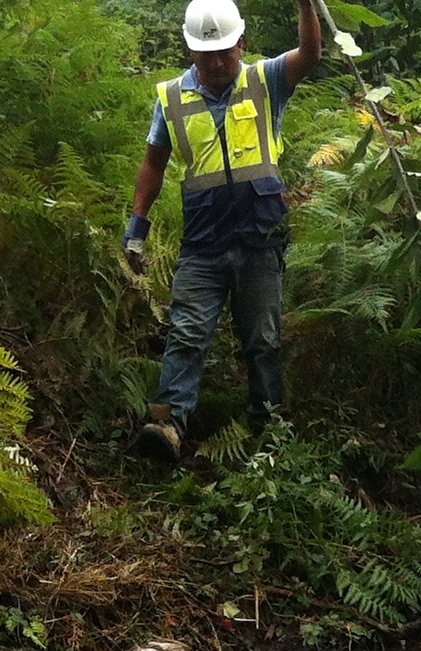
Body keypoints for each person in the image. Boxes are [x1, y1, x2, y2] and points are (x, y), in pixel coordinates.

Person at [124, 0, 322, 462]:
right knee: (187, 333)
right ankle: (168, 423)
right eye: (204, 55)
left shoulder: (265, 80)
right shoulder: (172, 97)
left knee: (264, 339)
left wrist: (305, 2)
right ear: (190, 51)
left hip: (260, 236)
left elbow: (310, 54)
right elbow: (154, 162)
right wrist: (138, 225)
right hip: (203, 240)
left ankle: (267, 427)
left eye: (224, 53)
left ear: (241, 45)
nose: (215, 63)